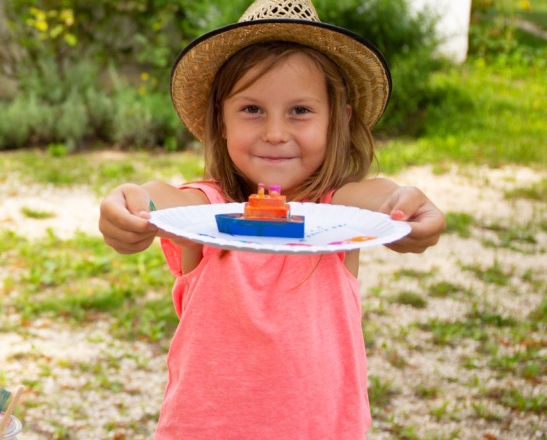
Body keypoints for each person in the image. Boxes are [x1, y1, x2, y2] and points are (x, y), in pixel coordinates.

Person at [97, 0, 444, 437]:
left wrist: (403, 203)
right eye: (252, 109)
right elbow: (165, 200)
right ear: (220, 121)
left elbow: (378, 196)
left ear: (338, 118)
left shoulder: (336, 211)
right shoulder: (210, 208)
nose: (275, 133)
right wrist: (134, 202)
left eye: (300, 110)